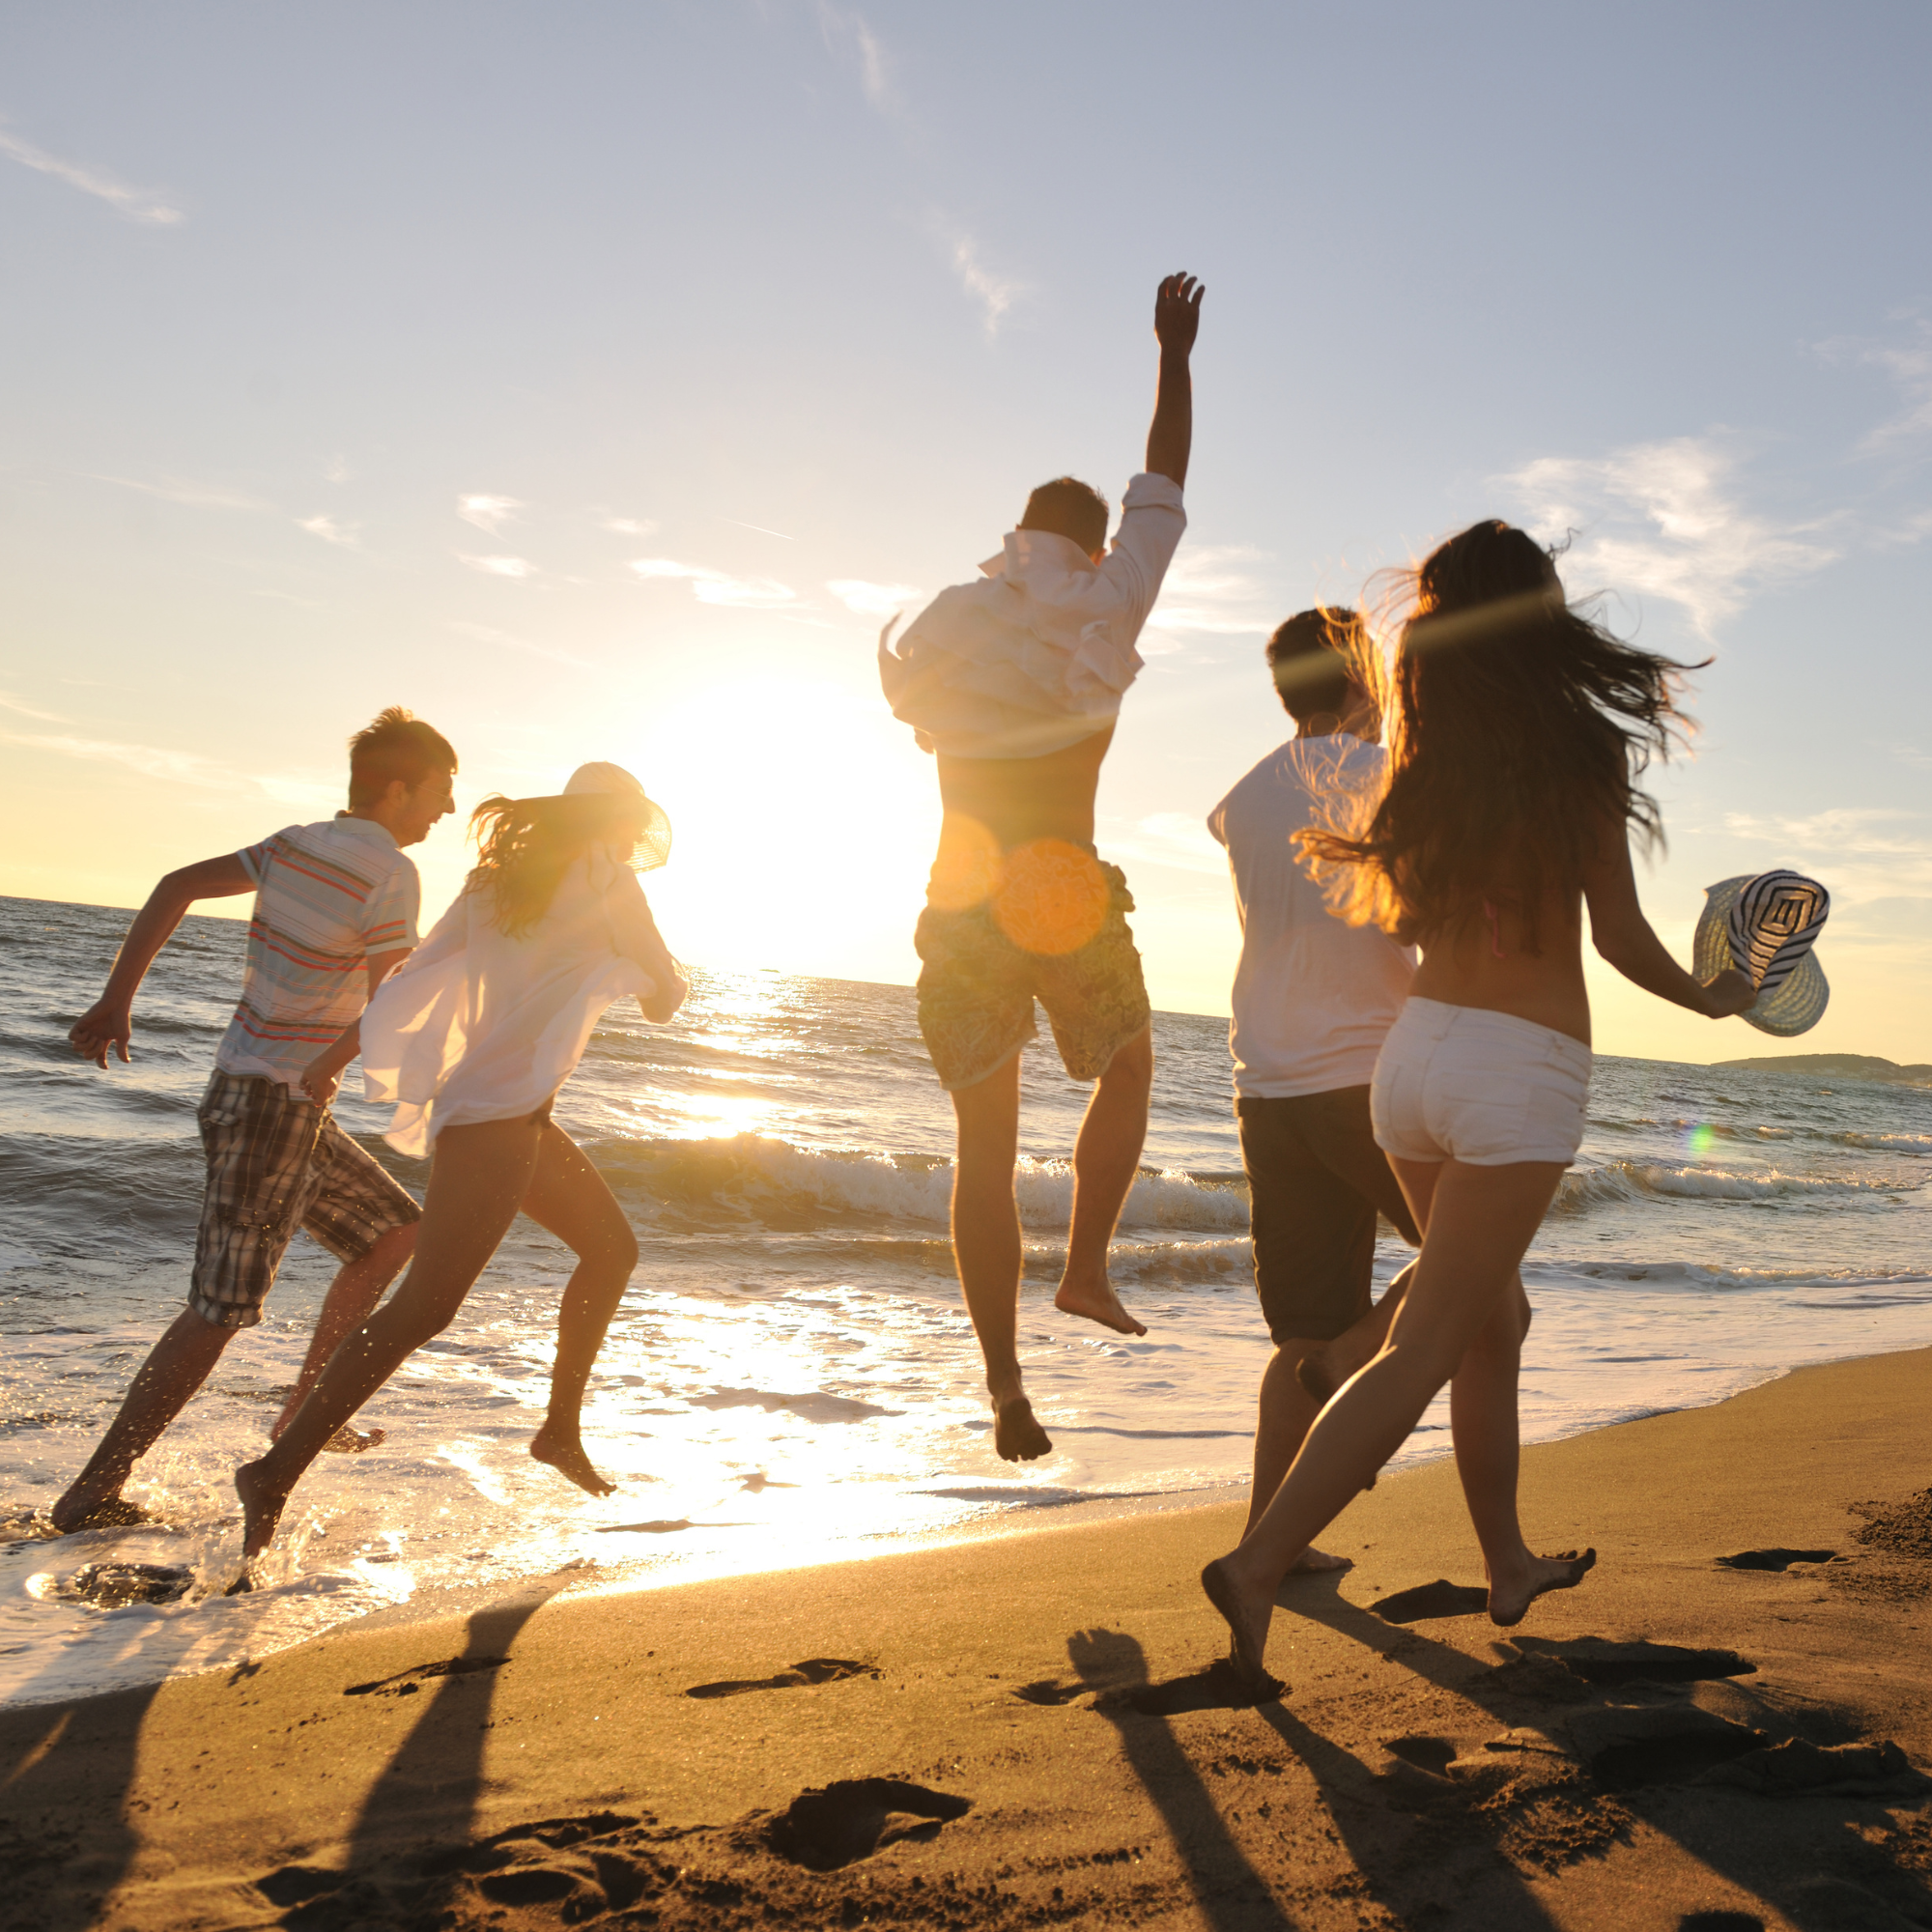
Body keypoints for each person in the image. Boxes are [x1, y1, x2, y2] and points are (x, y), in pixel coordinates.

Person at [1200, 522, 1757, 1686]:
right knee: (1422, 1341)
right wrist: (1711, 1001)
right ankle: (1256, 1560)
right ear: (1542, 616)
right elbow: (1614, 932)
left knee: (1488, 1321)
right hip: (1516, 1068)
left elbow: (1399, 921)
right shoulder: (1579, 750)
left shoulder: (1418, 752)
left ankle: (1505, 1562)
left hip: (1411, 1063)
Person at [877, 271, 1203, 1462]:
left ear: (1015, 529)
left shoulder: (956, 614)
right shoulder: (1109, 598)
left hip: (960, 892)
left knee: (981, 1149)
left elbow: (913, 712)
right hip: (1059, 885)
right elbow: (1163, 479)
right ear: (1093, 540)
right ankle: (1081, 1268)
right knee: (1126, 1068)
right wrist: (1172, 354)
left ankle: (1003, 1381)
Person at [235, 762, 687, 1564]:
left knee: (613, 1250)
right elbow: (665, 995)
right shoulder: (610, 879)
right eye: (625, 825)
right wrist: (640, 976)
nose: (625, 840)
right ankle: (275, 1471)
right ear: (614, 823)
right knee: (423, 1311)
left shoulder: (494, 881)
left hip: (489, 1109)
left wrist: (349, 1053)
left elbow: (414, 974)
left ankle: (559, 1430)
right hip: (500, 1119)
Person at [51, 708, 458, 1532]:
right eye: (440, 792)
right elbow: (394, 1002)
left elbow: (175, 886)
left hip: (270, 1098)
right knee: (220, 1308)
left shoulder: (293, 842)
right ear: (395, 787)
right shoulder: (388, 871)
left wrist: (117, 998)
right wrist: (333, 1063)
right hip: (273, 1102)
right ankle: (91, 1493)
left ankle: (308, 1410)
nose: (445, 812)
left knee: (394, 1235)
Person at [1207, 608, 1420, 1570]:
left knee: (1297, 1321)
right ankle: (1345, 1363)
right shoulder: (1384, 779)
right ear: (1359, 680)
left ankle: (1270, 1538)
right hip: (1365, 1073)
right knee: (1475, 1264)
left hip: (1267, 1081)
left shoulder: (1242, 794)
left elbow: (1244, 845)